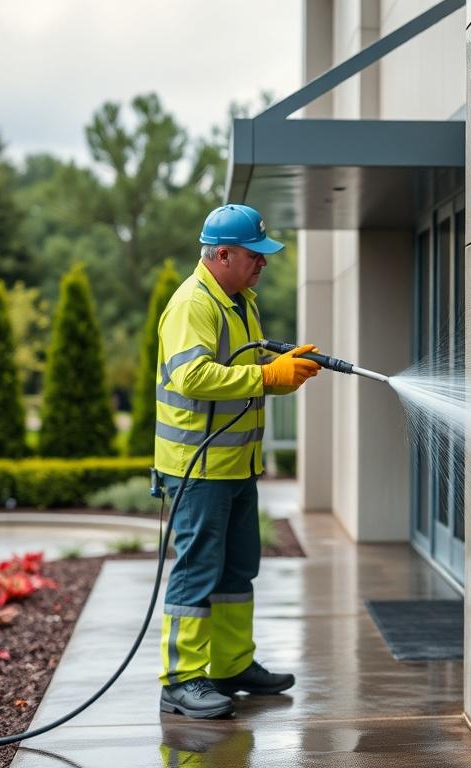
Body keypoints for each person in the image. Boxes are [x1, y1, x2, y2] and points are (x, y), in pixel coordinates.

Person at [152, 204, 320, 718]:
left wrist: (277, 366)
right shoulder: (192, 304)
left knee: (238, 569)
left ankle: (229, 666)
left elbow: (235, 370)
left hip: (236, 466)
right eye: (255, 255)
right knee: (197, 572)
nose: (262, 265)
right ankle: (181, 679)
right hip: (197, 468)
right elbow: (194, 377)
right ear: (221, 254)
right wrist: (268, 378)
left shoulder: (239, 300)